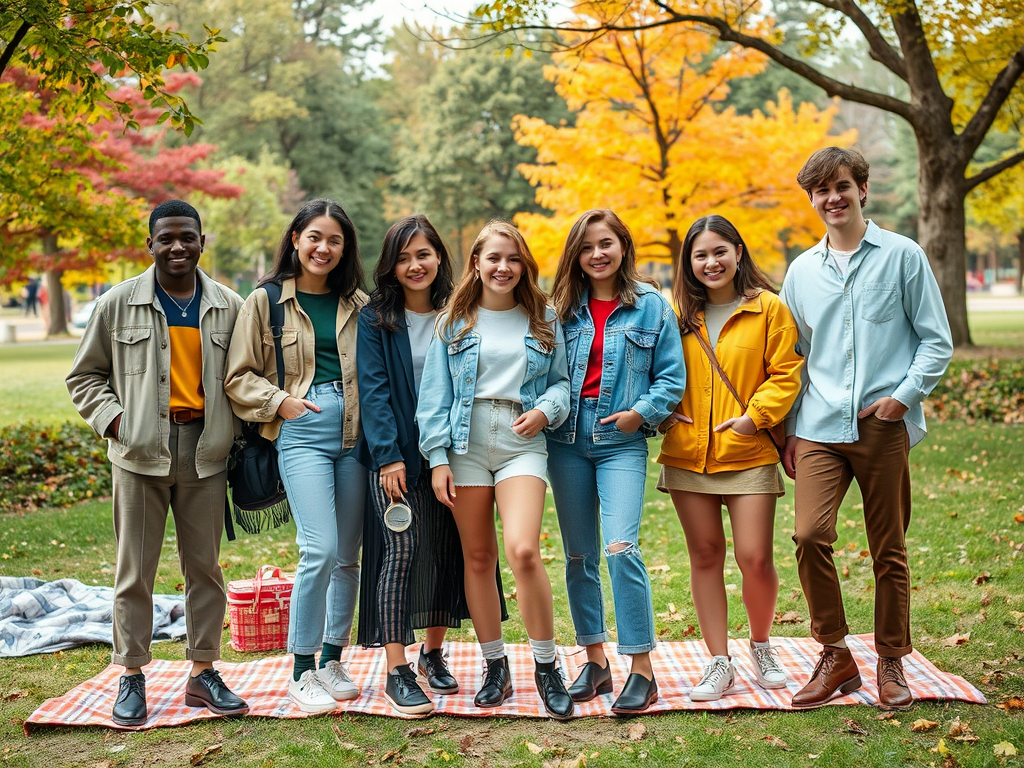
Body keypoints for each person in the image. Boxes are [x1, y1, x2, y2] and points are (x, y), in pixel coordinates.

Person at [781, 147, 953, 710]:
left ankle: (891, 661)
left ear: (862, 189)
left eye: (842, 186)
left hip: (882, 427)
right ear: (812, 200)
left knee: (889, 549)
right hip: (818, 427)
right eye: (821, 191)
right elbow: (792, 356)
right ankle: (835, 655)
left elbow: (935, 340)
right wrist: (788, 431)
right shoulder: (802, 271)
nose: (833, 198)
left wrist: (901, 401)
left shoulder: (903, 257)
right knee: (809, 535)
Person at [66, 200, 248, 726]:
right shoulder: (116, 305)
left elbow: (242, 376)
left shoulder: (229, 306)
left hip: (205, 452)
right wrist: (120, 424)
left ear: (201, 241)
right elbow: (84, 378)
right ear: (150, 244)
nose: (177, 247)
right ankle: (131, 675)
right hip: (138, 453)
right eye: (165, 238)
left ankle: (203, 674)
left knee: (205, 571)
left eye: (186, 237)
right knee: (134, 572)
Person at [416, 220, 575, 720]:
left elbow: (562, 384)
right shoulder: (453, 322)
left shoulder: (543, 317)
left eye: (513, 259)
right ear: (477, 264)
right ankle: (494, 665)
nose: (503, 268)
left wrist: (547, 409)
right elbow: (434, 400)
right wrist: (437, 458)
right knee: (478, 557)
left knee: (524, 550)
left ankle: (547, 666)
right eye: (493, 259)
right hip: (464, 444)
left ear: (523, 264)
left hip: (520, 440)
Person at [224, 199, 368, 714]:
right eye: (314, 237)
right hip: (301, 429)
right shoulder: (264, 301)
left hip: (356, 433)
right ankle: (301, 668)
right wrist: (280, 402)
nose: (323, 248)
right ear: (295, 240)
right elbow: (238, 377)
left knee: (349, 554)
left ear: (344, 247)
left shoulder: (358, 301)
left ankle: (332, 656)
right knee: (321, 548)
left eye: (334, 240)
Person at [657, 215, 803, 702]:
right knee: (704, 556)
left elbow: (786, 374)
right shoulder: (675, 316)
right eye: (700, 254)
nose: (711, 262)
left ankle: (761, 645)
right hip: (688, 456)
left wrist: (754, 418)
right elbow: (650, 371)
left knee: (755, 558)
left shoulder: (769, 309)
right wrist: (659, 414)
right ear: (689, 263)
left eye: (720, 251)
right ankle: (719, 661)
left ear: (739, 253)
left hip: (749, 451)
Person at [546, 210, 685, 714]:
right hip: (566, 441)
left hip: (621, 442)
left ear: (623, 246)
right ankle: (596, 661)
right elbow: (542, 372)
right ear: (576, 256)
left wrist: (639, 415)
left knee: (621, 547)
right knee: (579, 556)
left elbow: (671, 378)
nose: (597, 255)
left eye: (606, 244)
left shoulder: (651, 306)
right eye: (586, 247)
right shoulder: (559, 309)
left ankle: (641, 671)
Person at [354, 215, 470, 716]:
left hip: (453, 455)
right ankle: (396, 670)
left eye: (422, 254)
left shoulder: (461, 312)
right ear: (390, 266)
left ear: (439, 257)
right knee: (399, 552)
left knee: (444, 551)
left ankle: (433, 653)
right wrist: (388, 458)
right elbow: (374, 391)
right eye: (403, 257)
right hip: (395, 456)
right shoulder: (376, 317)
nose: (414, 265)